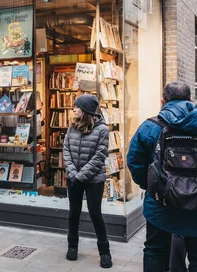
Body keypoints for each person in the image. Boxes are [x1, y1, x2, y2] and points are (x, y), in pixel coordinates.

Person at [127, 82, 197, 272]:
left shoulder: (149, 126)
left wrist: (152, 185)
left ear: (163, 101)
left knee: (155, 252)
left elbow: (134, 162)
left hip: (160, 206)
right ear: (191, 100)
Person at [63, 94, 113, 268]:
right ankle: (72, 246)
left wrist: (81, 175)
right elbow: (66, 150)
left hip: (93, 179)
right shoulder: (72, 128)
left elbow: (100, 156)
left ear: (85, 111)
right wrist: (72, 172)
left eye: (76, 107)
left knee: (95, 213)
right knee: (73, 213)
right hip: (73, 177)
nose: (73, 110)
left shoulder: (102, 130)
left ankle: (105, 251)